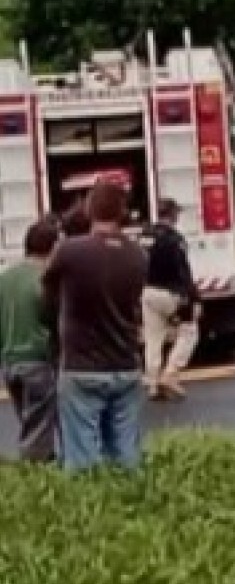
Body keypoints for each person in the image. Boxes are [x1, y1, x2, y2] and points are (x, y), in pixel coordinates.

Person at [42, 181, 149, 473]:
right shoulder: (138, 256)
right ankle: (132, 505)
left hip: (81, 366)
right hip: (126, 363)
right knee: (127, 456)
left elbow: (47, 296)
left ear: (89, 209)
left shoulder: (69, 252)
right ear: (123, 212)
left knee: (81, 461)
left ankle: (91, 511)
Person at [0, 220, 61, 463]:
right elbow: (53, 317)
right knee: (39, 427)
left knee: (29, 420)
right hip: (38, 358)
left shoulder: (5, 278)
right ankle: (35, 473)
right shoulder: (45, 278)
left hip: (9, 361)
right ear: (53, 247)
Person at [142, 198, 199, 402]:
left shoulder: (145, 235)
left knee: (153, 337)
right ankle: (171, 374)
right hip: (171, 292)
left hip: (147, 291)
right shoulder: (175, 239)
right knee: (189, 331)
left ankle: (152, 383)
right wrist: (193, 298)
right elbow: (183, 271)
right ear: (173, 215)